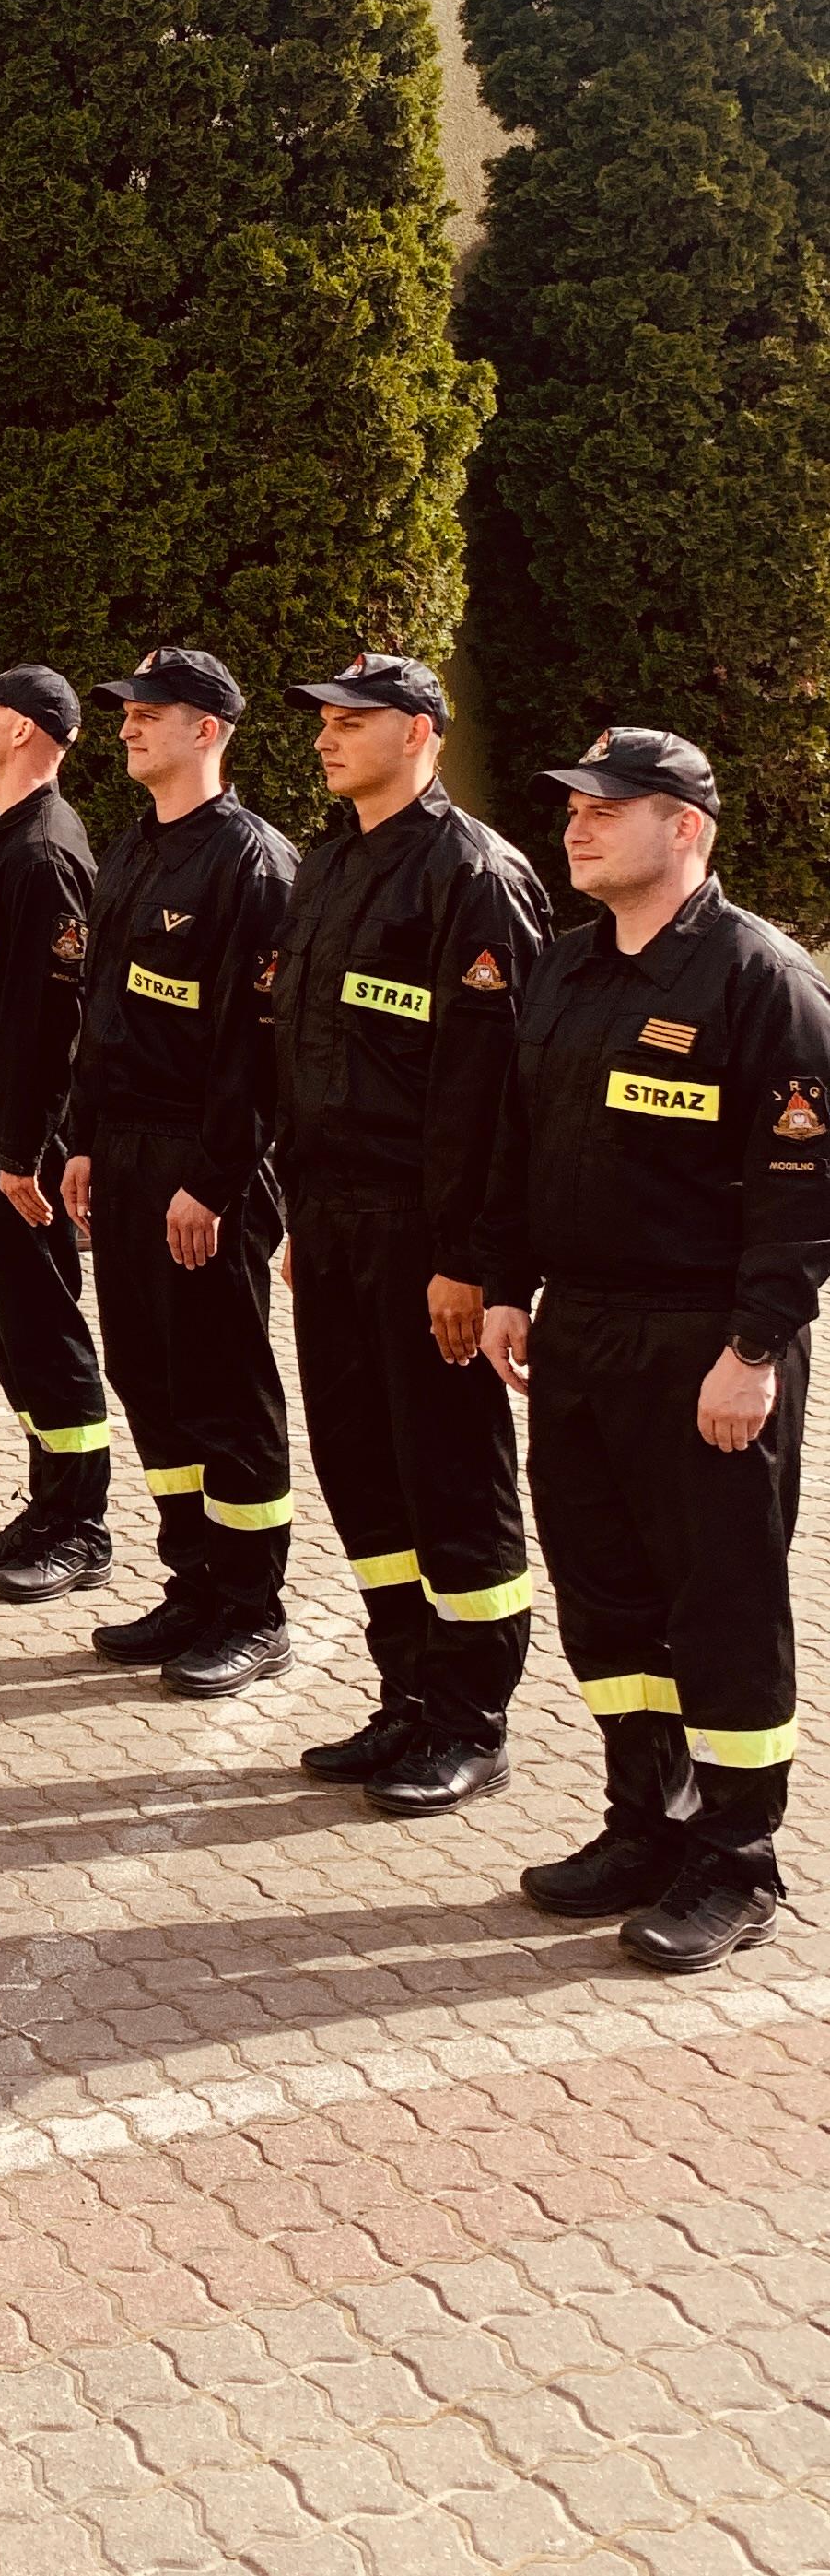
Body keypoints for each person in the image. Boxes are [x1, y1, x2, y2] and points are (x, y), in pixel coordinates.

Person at [478, 725, 826, 1973]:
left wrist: (755, 1348)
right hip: (580, 1331)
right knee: (610, 1598)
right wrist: (508, 1288)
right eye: (573, 807)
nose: (576, 827)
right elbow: (520, 1143)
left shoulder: (759, 976)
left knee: (721, 1604)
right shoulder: (568, 968)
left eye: (606, 809)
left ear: (685, 828)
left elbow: (803, 1190)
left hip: (703, 1343)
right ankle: (647, 1824)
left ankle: (737, 1860)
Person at [271, 656, 553, 1816]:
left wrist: (469, 1261)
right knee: (360, 1462)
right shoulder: (328, 864)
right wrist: (301, 1211)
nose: (327, 739)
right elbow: (304, 1053)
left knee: (449, 1470)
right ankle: (408, 1694)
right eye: (324, 722)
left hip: (423, 1236)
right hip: (332, 1222)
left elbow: (495, 1094)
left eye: (354, 721)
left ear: (422, 732)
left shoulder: (473, 876)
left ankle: (472, 1719)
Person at [62, 650, 298, 1696]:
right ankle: (193, 1583)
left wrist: (214, 1178)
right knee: (149, 1378)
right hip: (124, 1149)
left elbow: (260, 1049)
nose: (127, 727)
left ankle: (251, 1609)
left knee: (222, 1386)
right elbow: (102, 1009)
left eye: (149, 714)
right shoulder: (133, 848)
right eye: (125, 713)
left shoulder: (255, 865)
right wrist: (80, 1139)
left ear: (208, 730)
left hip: (205, 1164)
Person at [0, 665, 111, 1601]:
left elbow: (51, 1024)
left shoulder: (45, 854)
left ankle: (81, 1527)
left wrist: (21, 1153)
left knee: (42, 1320)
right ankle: (49, 1507)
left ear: (26, 732)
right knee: (6, 1318)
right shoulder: (6, 834)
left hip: (24, 1126)